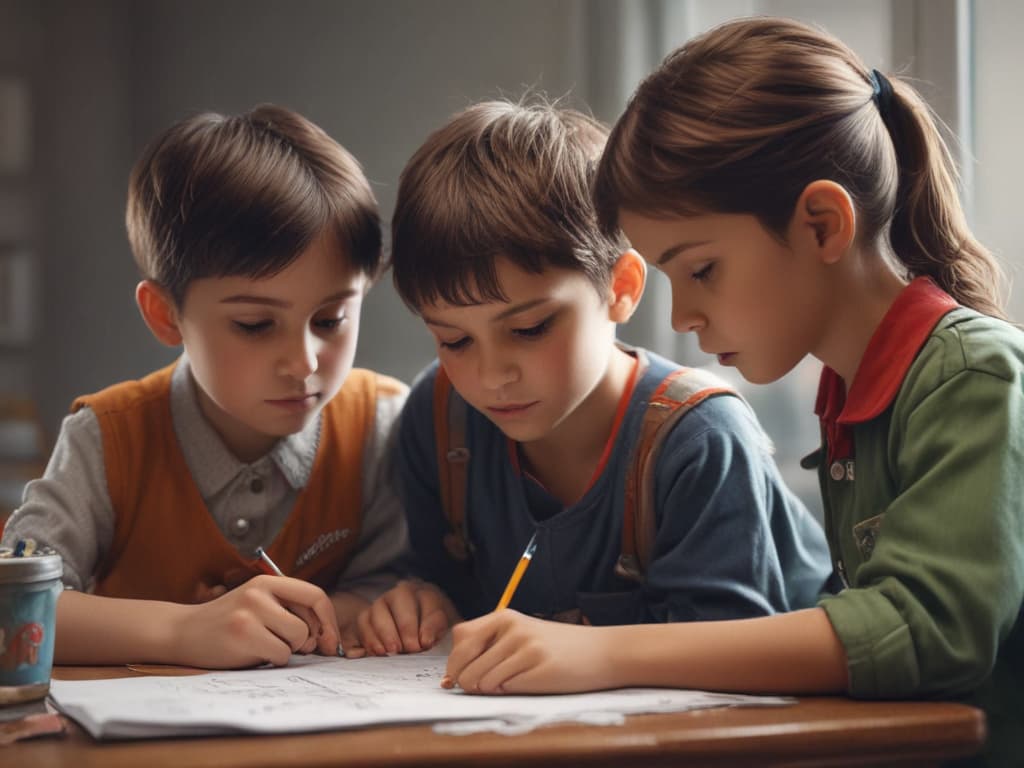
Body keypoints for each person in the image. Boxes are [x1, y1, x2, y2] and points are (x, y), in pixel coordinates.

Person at [440, 18, 1024, 767]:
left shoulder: (977, 376)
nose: (681, 316)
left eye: (701, 270)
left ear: (821, 223)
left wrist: (606, 655)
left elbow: (922, 630)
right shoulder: (854, 390)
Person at [345, 98, 831, 659]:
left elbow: (732, 667)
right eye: (454, 340)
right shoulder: (439, 417)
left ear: (621, 287)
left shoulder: (699, 441)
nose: (491, 375)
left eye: (528, 328)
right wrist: (418, 605)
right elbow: (441, 596)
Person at [1, 105, 409, 669]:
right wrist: (181, 631)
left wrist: (385, 605)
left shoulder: (384, 424)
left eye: (331, 319)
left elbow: (394, 584)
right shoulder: (110, 439)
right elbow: (11, 608)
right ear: (166, 315)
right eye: (255, 325)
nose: (302, 361)